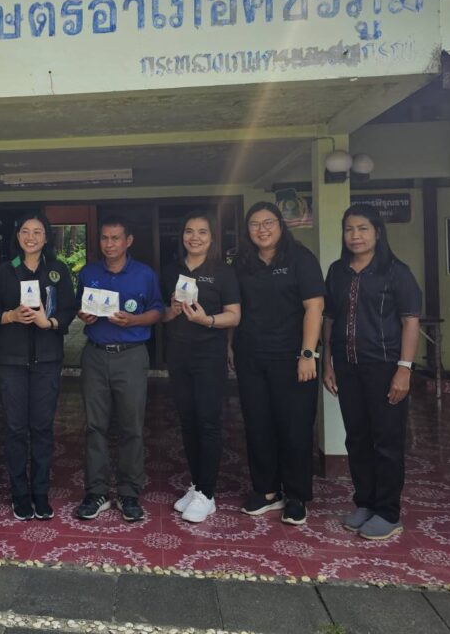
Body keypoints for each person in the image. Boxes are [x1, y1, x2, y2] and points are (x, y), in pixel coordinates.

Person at [323, 204, 422, 541]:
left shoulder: (396, 272)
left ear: (377, 232)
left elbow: (410, 321)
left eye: (362, 228)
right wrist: (327, 363)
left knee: (387, 441)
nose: (355, 236)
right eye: (349, 229)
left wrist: (404, 369)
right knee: (357, 438)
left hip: (384, 367)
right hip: (347, 366)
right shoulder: (337, 271)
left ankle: (388, 512)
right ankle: (364, 503)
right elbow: (329, 319)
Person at [231, 202, 324, 526]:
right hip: (251, 356)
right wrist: (231, 346)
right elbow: (235, 308)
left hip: (293, 358)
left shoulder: (301, 259)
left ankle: (296, 496)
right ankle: (267, 490)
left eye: (268, 222)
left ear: (281, 225)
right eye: (254, 224)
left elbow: (314, 308)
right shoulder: (243, 263)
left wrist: (308, 354)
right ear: (247, 230)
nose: (262, 229)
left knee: (294, 427)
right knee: (258, 424)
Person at [0, 211, 77, 521]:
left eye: (37, 231)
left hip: (47, 360)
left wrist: (48, 322)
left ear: (46, 237)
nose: (31, 237)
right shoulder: (5, 271)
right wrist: (10, 316)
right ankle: (19, 493)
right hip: (12, 360)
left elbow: (69, 309)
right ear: (18, 236)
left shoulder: (58, 270)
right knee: (15, 428)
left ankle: (40, 492)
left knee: (41, 427)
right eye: (25, 231)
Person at [74, 215, 164, 522]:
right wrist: (84, 316)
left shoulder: (144, 274)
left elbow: (158, 310)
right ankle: (96, 492)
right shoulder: (88, 272)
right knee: (94, 426)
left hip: (131, 356)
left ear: (128, 241)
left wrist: (135, 320)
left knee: (131, 427)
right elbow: (80, 306)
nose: (109, 244)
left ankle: (129, 493)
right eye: (104, 238)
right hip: (95, 355)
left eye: (115, 238)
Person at [161, 211, 241, 523]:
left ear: (212, 238)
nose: (194, 237)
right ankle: (196, 485)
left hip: (209, 356)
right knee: (188, 421)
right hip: (178, 355)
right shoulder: (172, 270)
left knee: (208, 422)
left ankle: (208, 494)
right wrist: (172, 310)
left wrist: (206, 320)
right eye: (189, 231)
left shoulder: (223, 272)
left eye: (202, 232)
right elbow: (163, 315)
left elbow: (234, 315)